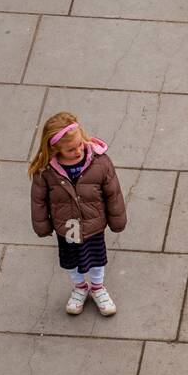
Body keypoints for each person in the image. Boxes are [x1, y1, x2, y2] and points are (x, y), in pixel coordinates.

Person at [29, 111, 127, 316]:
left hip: (93, 223)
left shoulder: (99, 162)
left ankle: (98, 288)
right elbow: (38, 201)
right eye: (70, 149)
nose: (77, 151)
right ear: (55, 149)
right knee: (71, 260)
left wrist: (117, 219)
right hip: (68, 226)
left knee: (97, 257)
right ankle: (80, 287)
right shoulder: (46, 171)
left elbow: (113, 192)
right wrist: (43, 225)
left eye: (79, 145)